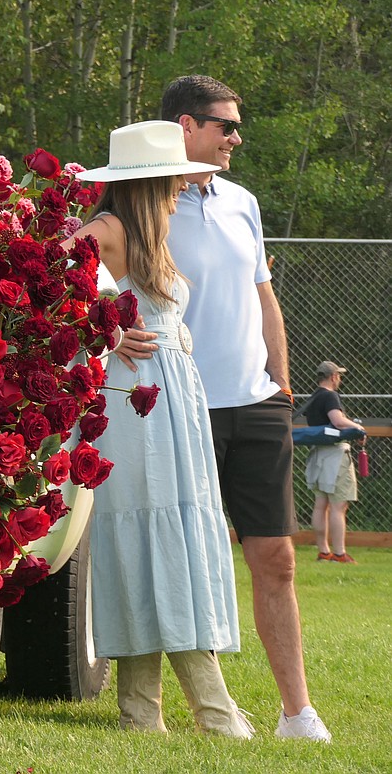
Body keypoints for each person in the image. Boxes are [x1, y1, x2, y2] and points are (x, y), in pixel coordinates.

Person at [118, 74, 332, 742]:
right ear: (186, 126)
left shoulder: (243, 202)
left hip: (260, 405)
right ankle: (209, 706)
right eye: (226, 125)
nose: (237, 137)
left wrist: (284, 387)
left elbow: (264, 295)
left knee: (278, 559)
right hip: (181, 410)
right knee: (186, 555)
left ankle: (297, 712)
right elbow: (85, 286)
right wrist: (107, 327)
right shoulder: (141, 210)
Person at [66, 120, 252, 738]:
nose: (182, 189)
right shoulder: (107, 232)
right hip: (135, 407)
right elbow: (48, 293)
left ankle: (140, 711)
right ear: (149, 183)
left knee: (163, 531)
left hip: (173, 403)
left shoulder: (151, 235)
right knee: (148, 533)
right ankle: (213, 709)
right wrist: (106, 330)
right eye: (173, 180)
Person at [303, 361, 365, 563]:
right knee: (339, 506)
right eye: (338, 375)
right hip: (335, 456)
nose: (339, 379)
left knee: (321, 504)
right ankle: (339, 554)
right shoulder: (330, 396)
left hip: (318, 454)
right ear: (333, 377)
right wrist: (357, 428)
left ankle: (323, 551)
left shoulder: (314, 397)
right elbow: (337, 420)